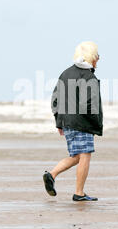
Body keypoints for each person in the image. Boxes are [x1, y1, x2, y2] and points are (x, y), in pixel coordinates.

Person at [43, 41, 103, 201]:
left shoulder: (65, 73)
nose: (98, 59)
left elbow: (55, 100)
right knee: (85, 155)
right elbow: (90, 105)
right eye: (97, 55)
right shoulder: (88, 76)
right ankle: (79, 193)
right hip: (82, 123)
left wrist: (59, 122)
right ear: (91, 57)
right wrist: (95, 125)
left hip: (68, 122)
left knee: (77, 156)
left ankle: (51, 174)